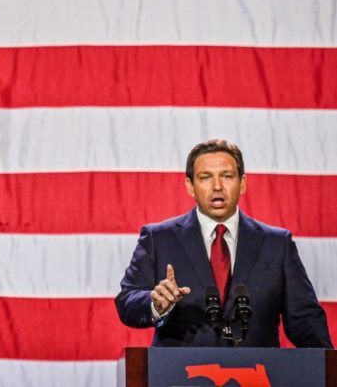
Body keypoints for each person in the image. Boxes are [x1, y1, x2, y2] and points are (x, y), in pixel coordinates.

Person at [115, 139, 332, 347]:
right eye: (206, 177)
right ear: (190, 185)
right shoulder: (159, 238)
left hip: (257, 376)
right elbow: (127, 301)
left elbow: (304, 318)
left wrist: (328, 369)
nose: (217, 186)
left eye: (227, 176)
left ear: (243, 183)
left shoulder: (277, 243)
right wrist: (155, 304)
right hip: (183, 377)